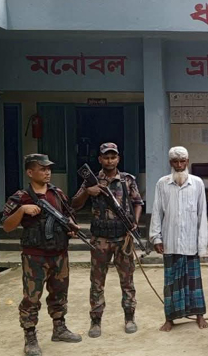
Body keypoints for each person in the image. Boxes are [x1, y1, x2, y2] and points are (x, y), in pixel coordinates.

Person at [2, 154, 82, 356]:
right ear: (30, 172)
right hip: (35, 257)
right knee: (32, 298)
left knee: (59, 293)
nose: (47, 172)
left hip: (59, 254)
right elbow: (7, 226)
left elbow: (69, 217)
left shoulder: (58, 193)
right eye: (42, 169)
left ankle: (59, 328)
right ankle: (30, 337)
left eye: (49, 169)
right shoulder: (20, 197)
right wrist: (22, 210)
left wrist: (72, 229)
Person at [71, 142, 144, 338]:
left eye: (113, 157)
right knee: (97, 282)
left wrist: (135, 222)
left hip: (122, 237)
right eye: (106, 157)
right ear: (100, 159)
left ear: (118, 159)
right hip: (100, 239)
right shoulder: (91, 181)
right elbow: (74, 204)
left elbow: (138, 202)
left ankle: (129, 317)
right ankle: (96, 321)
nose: (110, 161)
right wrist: (88, 191)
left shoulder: (127, 180)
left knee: (127, 280)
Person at [149, 146, 208, 331]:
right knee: (171, 282)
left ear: (187, 162)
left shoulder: (197, 183)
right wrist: (156, 238)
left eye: (182, 161)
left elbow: (202, 215)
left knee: (194, 281)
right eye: (175, 161)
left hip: (191, 242)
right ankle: (170, 318)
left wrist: (202, 244)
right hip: (171, 241)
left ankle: (199, 316)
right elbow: (157, 212)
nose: (179, 165)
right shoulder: (162, 184)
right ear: (171, 163)